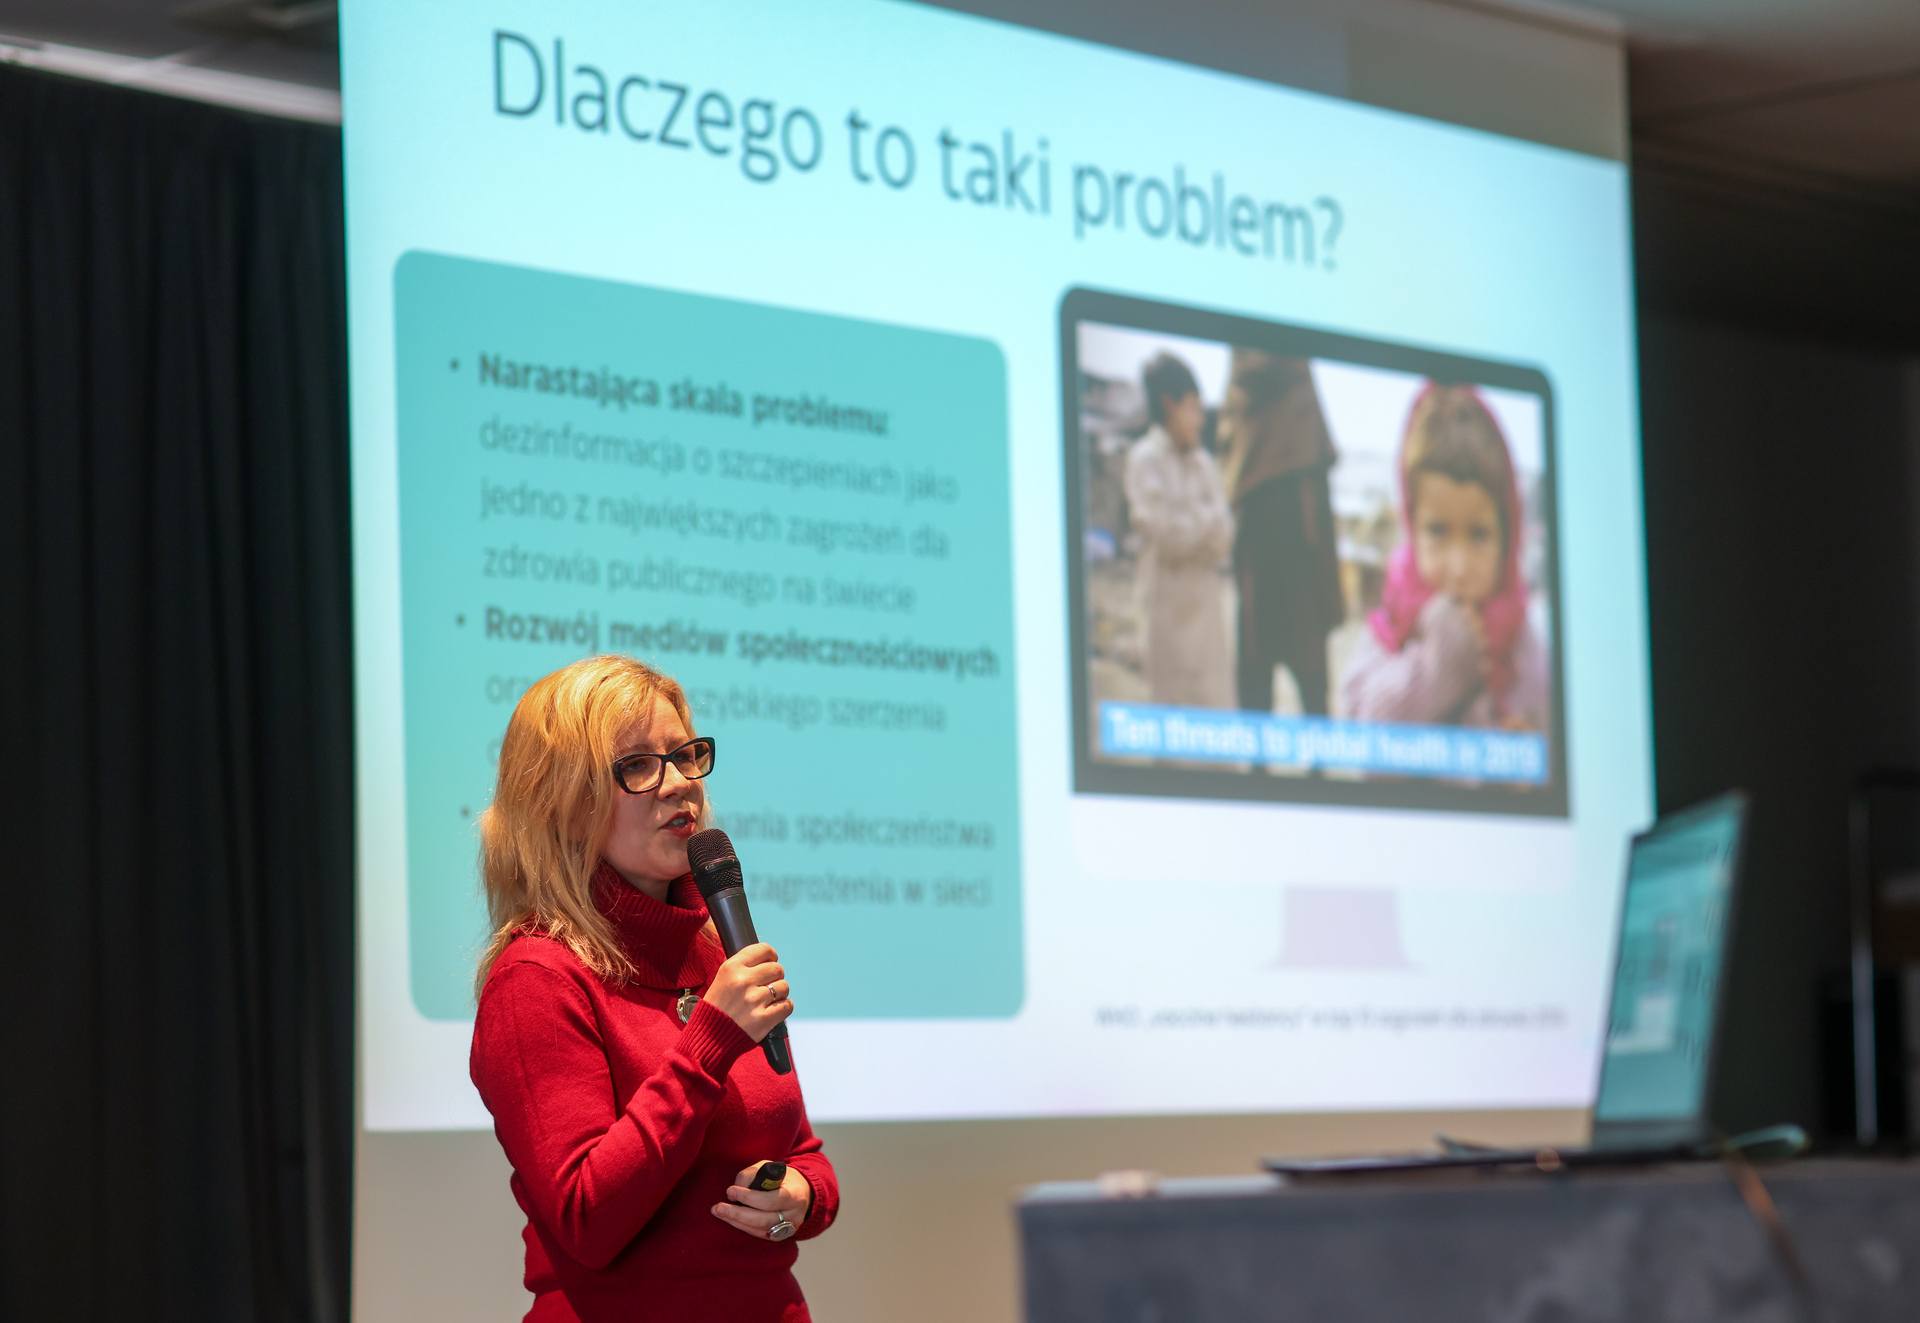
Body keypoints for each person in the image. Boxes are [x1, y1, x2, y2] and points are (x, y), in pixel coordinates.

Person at [469, 654, 838, 1323]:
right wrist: (709, 1044)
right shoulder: (536, 978)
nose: (679, 785)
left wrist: (800, 1200)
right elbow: (587, 1217)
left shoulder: (715, 951)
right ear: (564, 804)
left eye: (685, 756)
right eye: (638, 765)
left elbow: (804, 1155)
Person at [1342, 383, 1549, 730]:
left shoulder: (1525, 649)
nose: (1458, 568)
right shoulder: (1392, 624)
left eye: (1479, 535)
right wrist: (1438, 668)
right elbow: (1359, 723)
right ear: (1412, 527)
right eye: (1438, 531)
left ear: (1508, 536)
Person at [1215, 350, 1344, 715]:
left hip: (1287, 522)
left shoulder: (1258, 378)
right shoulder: (1289, 373)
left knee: (1277, 672)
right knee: (1288, 674)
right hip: (1283, 525)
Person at [1122, 350, 1235, 708]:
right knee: (1170, 710)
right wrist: (1203, 523)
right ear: (1169, 405)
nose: (1199, 419)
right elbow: (1167, 534)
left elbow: (1224, 534)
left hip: (1206, 614)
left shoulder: (1204, 463)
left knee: (1214, 711)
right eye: (1192, 407)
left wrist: (1192, 525)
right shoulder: (1144, 460)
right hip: (1165, 613)